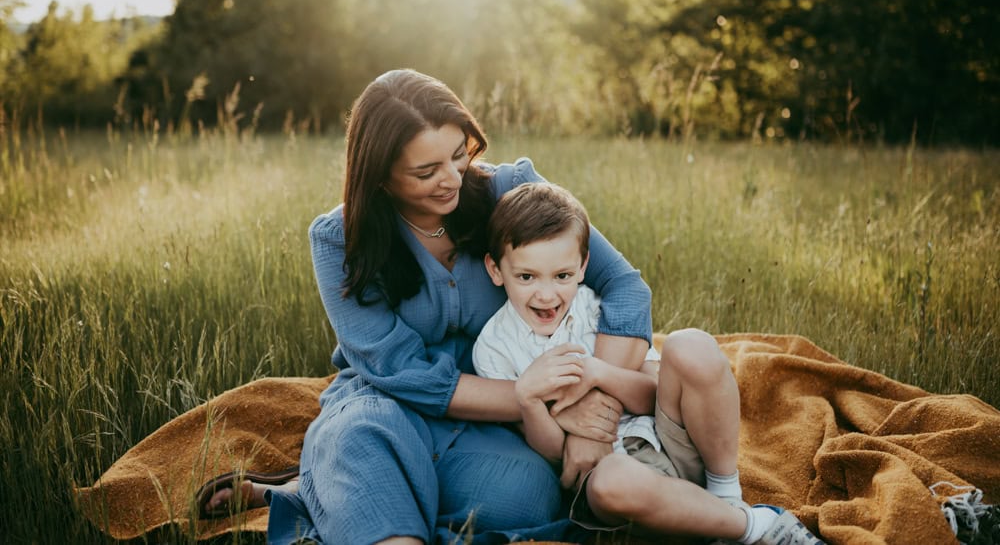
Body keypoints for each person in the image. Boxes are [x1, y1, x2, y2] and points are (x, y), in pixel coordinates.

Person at [196, 68, 733, 544]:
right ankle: (331, 484)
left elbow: (623, 287)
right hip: (393, 402)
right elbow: (397, 370)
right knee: (361, 441)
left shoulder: (511, 189)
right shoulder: (340, 238)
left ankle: (316, 489)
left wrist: (592, 412)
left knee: (527, 499)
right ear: (378, 173)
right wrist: (533, 398)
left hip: (517, 415)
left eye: (459, 155)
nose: (452, 178)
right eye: (426, 171)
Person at [472, 181, 824, 544]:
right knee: (613, 482)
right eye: (526, 277)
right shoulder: (494, 348)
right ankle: (752, 526)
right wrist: (528, 400)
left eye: (562, 276)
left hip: (669, 440)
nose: (546, 294)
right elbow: (553, 455)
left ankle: (726, 495)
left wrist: (599, 373)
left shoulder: (594, 309)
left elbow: (650, 394)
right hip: (613, 477)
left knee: (691, 345)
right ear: (496, 270)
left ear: (582, 267)